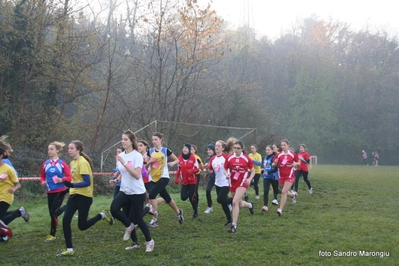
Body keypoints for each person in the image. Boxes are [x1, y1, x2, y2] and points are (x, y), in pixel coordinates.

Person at [57, 140, 114, 257]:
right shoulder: (72, 163)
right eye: (68, 148)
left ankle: (101, 215)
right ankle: (69, 249)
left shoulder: (82, 162)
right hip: (73, 196)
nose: (69, 150)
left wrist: (71, 185)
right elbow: (74, 180)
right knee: (65, 220)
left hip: (84, 197)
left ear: (78, 150)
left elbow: (87, 182)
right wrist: (66, 188)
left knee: (82, 226)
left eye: (72, 148)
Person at [110, 130, 154, 252]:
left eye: (125, 139)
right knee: (114, 209)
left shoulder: (137, 156)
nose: (123, 141)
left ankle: (149, 241)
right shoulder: (121, 156)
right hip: (125, 190)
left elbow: (136, 175)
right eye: (122, 139)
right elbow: (122, 172)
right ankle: (131, 232)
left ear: (131, 141)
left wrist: (124, 163)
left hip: (137, 192)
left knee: (138, 219)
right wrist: (116, 179)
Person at [146, 132, 184, 228]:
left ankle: (154, 219)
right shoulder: (150, 151)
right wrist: (150, 162)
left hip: (164, 177)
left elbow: (178, 160)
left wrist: (172, 163)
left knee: (152, 195)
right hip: (153, 178)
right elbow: (144, 166)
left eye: (156, 139)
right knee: (166, 198)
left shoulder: (165, 150)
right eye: (153, 140)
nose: (154, 141)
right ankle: (179, 212)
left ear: (160, 140)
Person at [40, 141, 72, 243]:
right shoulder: (45, 164)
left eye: (51, 149)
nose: (49, 151)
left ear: (57, 150)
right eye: (48, 149)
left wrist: (61, 179)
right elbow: (42, 176)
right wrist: (42, 181)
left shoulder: (62, 164)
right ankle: (67, 207)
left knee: (53, 212)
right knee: (52, 213)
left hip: (60, 191)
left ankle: (52, 234)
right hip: (49, 191)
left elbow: (70, 177)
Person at [0, 136, 29, 243]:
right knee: (1, 217)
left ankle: (4, 232)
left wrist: (13, 188)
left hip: (6, 195)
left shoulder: (7, 166)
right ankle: (19, 212)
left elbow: (17, 182)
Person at [223, 140, 255, 233]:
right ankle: (250, 205)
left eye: (238, 148)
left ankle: (234, 225)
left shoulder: (246, 158)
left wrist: (249, 179)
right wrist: (226, 174)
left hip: (243, 182)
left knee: (234, 202)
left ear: (242, 149)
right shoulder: (229, 158)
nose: (236, 150)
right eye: (235, 148)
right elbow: (224, 168)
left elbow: (253, 170)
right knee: (239, 203)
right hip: (232, 182)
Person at [208, 140, 232, 226]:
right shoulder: (212, 159)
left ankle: (234, 200)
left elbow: (231, 167)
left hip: (226, 182)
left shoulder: (226, 158)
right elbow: (210, 169)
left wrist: (229, 175)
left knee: (220, 199)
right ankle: (229, 220)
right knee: (223, 202)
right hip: (217, 183)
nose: (216, 147)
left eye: (218, 146)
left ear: (223, 148)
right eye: (216, 146)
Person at [273, 139, 299, 216]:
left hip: (290, 176)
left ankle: (280, 209)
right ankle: (292, 195)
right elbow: (273, 164)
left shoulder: (292, 154)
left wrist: (295, 164)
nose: (283, 146)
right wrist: (275, 163)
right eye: (282, 145)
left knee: (283, 192)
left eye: (284, 145)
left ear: (288, 145)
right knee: (284, 191)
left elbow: (299, 162)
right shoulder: (278, 155)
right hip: (281, 176)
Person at [174, 143, 200, 218]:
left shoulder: (193, 158)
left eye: (186, 148)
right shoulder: (180, 158)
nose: (184, 149)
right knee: (183, 197)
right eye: (183, 148)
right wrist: (177, 178)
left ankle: (196, 213)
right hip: (184, 181)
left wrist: (192, 171)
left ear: (189, 150)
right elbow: (178, 169)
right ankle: (192, 194)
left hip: (192, 181)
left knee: (191, 198)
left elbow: (197, 169)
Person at [261, 145, 279, 212]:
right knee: (266, 191)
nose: (267, 151)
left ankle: (291, 195)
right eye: (266, 150)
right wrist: (262, 171)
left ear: (272, 150)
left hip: (273, 177)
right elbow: (265, 167)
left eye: (269, 150)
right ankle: (265, 206)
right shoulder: (265, 157)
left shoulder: (274, 157)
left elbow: (276, 169)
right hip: (266, 177)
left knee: (276, 191)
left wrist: (268, 172)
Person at [203, 143, 216, 214]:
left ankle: (229, 203)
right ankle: (209, 206)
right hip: (211, 177)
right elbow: (209, 171)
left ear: (213, 150)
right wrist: (206, 169)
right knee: (208, 190)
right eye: (207, 150)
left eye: (210, 150)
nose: (208, 151)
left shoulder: (217, 157)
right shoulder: (207, 159)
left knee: (220, 195)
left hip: (218, 178)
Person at [190, 145, 204, 210]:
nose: (190, 151)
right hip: (189, 176)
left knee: (195, 190)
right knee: (190, 190)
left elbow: (202, 167)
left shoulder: (197, 157)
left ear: (195, 150)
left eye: (192, 149)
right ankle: (193, 202)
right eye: (190, 149)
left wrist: (199, 163)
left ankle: (197, 203)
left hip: (196, 175)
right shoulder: (188, 157)